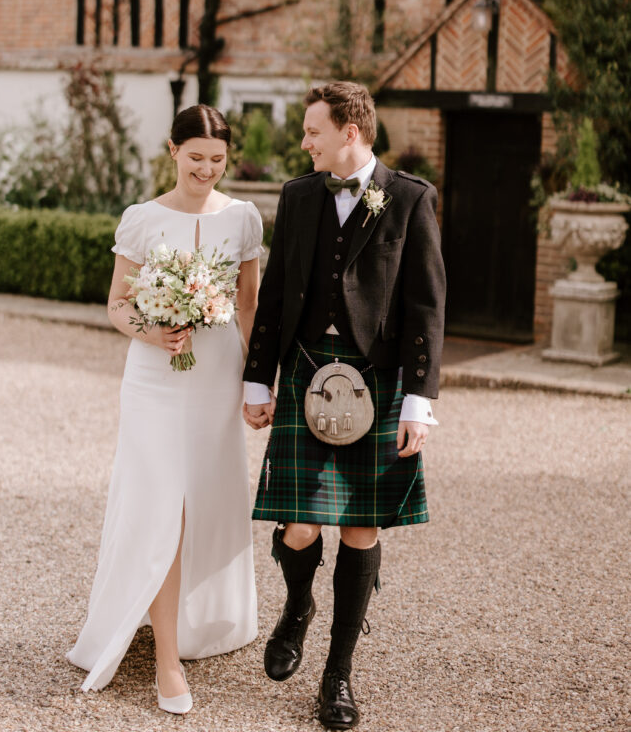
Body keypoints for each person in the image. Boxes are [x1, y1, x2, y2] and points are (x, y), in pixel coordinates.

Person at [243, 81, 446, 730]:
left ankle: (337, 675)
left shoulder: (410, 198)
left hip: (378, 382)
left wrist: (418, 400)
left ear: (348, 132)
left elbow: (426, 307)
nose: (302, 142)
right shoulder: (299, 197)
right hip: (305, 375)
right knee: (299, 526)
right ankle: (298, 605)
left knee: (361, 529)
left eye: (311, 131)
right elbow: (274, 292)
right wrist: (256, 379)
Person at [67, 104, 264, 714]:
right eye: (196, 157)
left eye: (217, 160)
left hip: (216, 379)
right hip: (153, 379)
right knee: (162, 505)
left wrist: (258, 384)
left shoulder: (244, 218)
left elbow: (252, 307)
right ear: (173, 150)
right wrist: (150, 332)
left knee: (207, 499)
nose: (206, 169)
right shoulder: (142, 218)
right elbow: (117, 304)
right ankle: (167, 659)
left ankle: (193, 622)